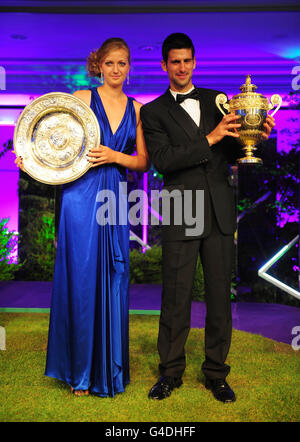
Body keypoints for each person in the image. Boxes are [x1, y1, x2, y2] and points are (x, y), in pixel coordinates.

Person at [140, 33, 275, 403]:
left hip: (218, 210)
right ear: (164, 65)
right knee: (176, 297)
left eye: (187, 60)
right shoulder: (152, 112)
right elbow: (164, 160)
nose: (181, 67)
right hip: (182, 210)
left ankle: (216, 373)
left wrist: (256, 135)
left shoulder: (219, 101)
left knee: (219, 297)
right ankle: (170, 373)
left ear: (194, 62)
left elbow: (233, 147)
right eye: (174, 61)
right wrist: (212, 138)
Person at [16, 37, 149, 397]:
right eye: (110, 63)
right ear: (98, 65)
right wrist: (29, 159)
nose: (116, 70)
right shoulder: (80, 98)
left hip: (114, 197)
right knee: (81, 277)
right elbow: (53, 140)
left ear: (129, 66)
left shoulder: (138, 110)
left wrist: (114, 156)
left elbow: (142, 161)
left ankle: (109, 371)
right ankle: (80, 372)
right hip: (79, 195)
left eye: (122, 63)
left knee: (114, 277)